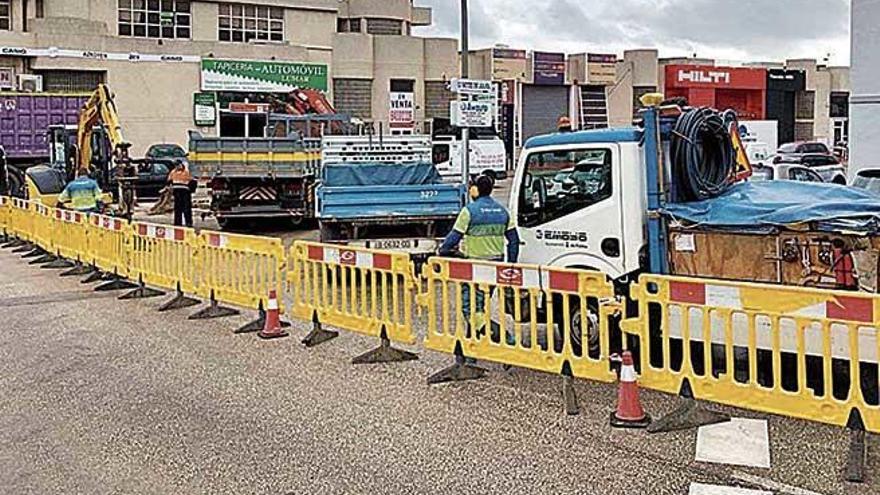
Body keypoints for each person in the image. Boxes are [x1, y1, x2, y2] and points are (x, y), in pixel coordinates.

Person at [439, 174, 520, 341]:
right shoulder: (503, 211)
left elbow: (453, 238)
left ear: (475, 189)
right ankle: (471, 349)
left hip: (474, 268)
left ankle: (505, 337)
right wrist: (510, 266)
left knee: (470, 309)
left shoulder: (469, 211)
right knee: (480, 307)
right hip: (495, 267)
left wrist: (444, 250)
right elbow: (514, 241)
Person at [168, 159, 194, 227]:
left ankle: (188, 222)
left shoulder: (186, 172)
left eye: (177, 165)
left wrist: (190, 189)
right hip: (177, 192)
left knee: (186, 208)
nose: (177, 166)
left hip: (185, 192)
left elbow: (192, 181)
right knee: (177, 208)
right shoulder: (173, 172)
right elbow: (169, 181)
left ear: (181, 164)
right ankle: (177, 223)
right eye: (175, 165)